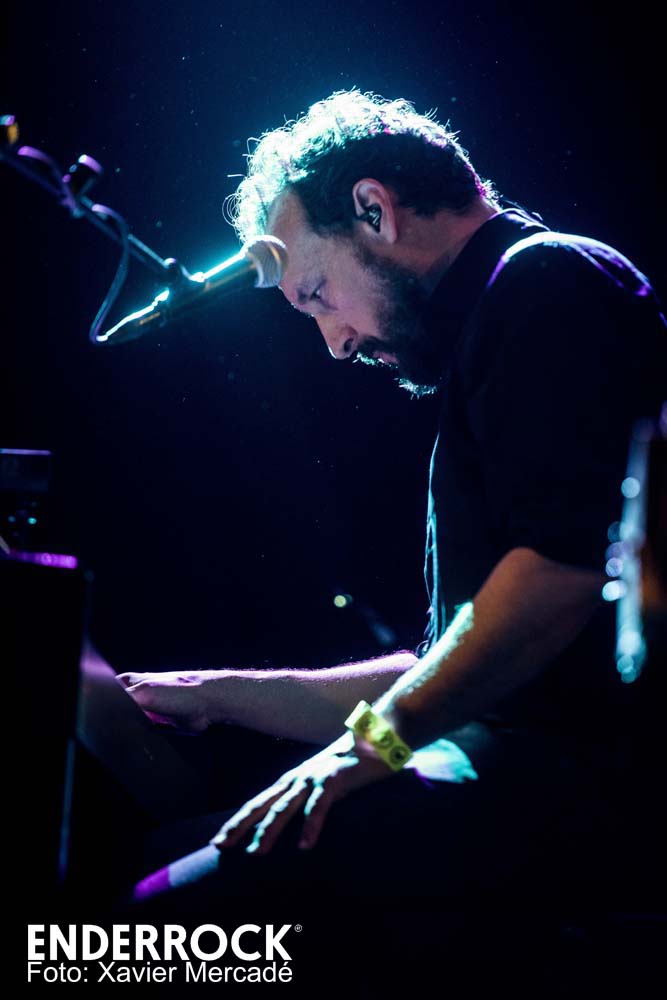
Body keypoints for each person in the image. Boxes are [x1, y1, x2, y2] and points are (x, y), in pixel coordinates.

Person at [117, 90, 666, 912]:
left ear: (373, 211)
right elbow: (447, 666)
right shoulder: (502, 321)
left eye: (315, 295)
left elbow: (560, 573)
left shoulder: (544, 280)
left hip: (579, 786)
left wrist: (362, 749)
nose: (335, 344)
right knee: (155, 865)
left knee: (155, 913)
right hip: (519, 764)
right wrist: (209, 692)